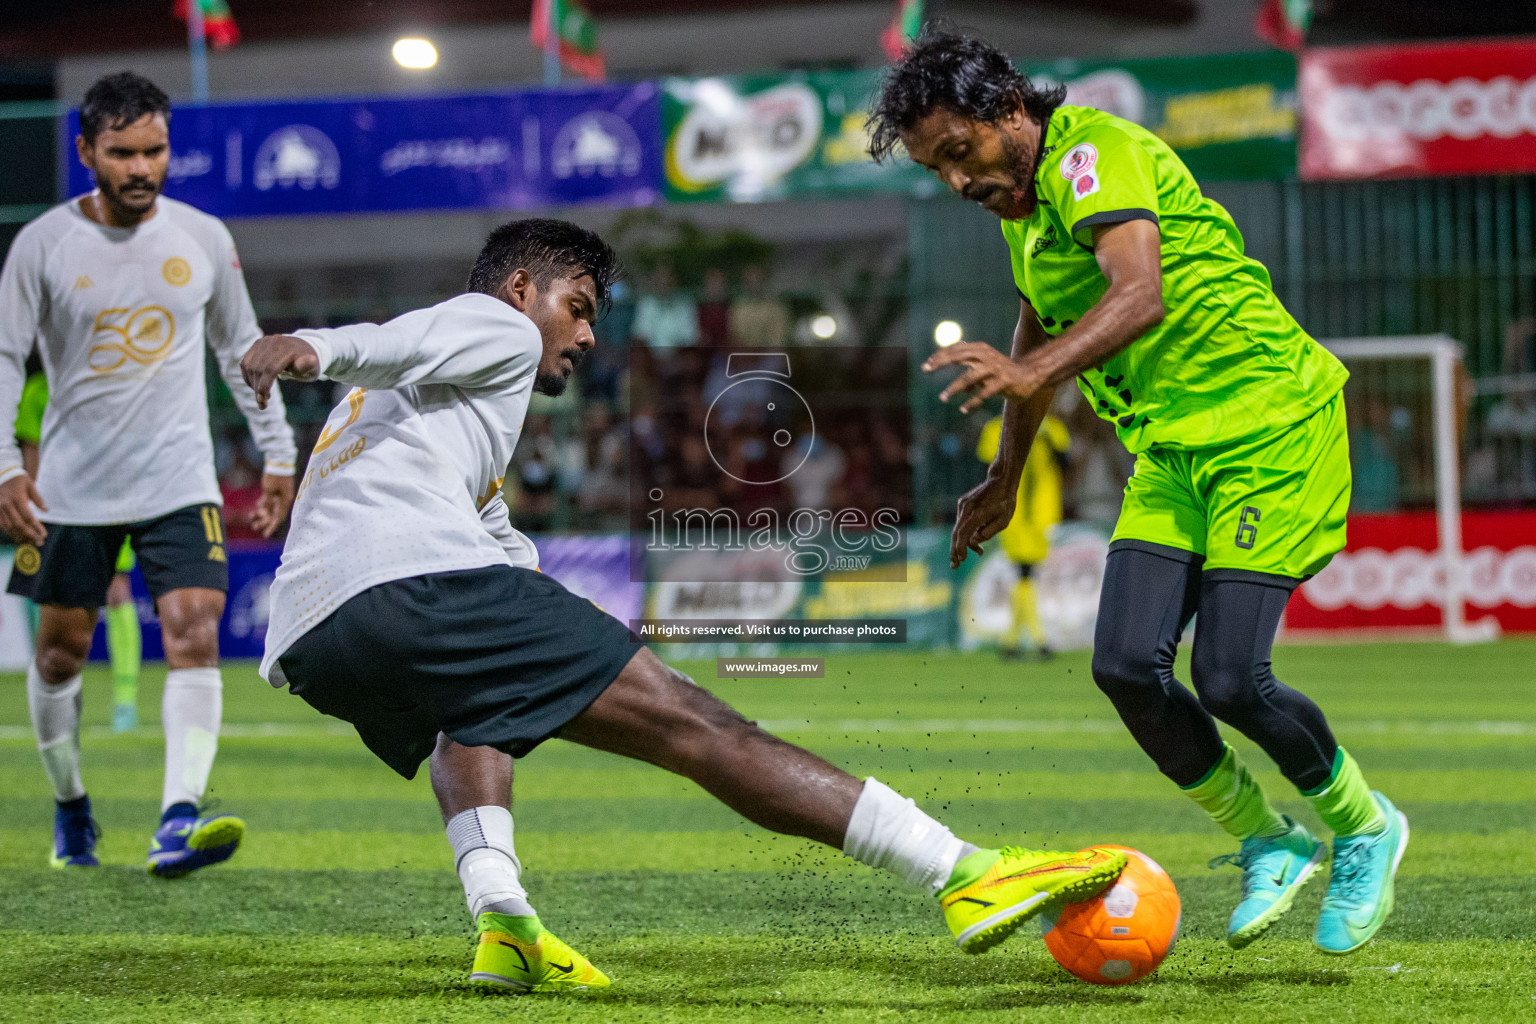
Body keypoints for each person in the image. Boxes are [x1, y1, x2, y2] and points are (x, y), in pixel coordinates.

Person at [240, 218, 1127, 994]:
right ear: (522, 289)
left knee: (476, 714)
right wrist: (313, 346)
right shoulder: (495, 328)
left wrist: (543, 598)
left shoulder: (421, 412)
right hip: (414, 584)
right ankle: (960, 872)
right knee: (699, 726)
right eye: (579, 305)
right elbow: (404, 333)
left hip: (316, 637)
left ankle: (503, 921)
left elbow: (489, 531)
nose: (587, 334)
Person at [870, 29, 1407, 956]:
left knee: (1232, 677)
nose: (957, 182)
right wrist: (1003, 476)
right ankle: (1266, 838)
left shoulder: (1093, 152)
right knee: (1125, 666)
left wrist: (1022, 370)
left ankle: (1364, 829)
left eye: (959, 153)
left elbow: (1140, 293)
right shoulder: (1026, 214)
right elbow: (1042, 321)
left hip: (1267, 423)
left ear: (1008, 110)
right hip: (1170, 452)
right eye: (936, 169)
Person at [0, 72, 298, 874]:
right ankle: (71, 809)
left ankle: (176, 819)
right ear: (86, 152)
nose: (141, 167)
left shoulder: (202, 237)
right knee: (61, 654)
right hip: (70, 487)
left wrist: (279, 453)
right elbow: (3, 357)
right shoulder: (42, 246)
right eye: (123, 152)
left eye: (155, 150)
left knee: (195, 630)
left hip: (178, 480)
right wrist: (3, 468)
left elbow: (244, 351)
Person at [14, 370, 142, 733]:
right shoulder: (37, 391)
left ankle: (125, 702)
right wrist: (37, 509)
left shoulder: (104, 378)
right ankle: (58, 698)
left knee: (117, 593)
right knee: (48, 597)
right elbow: (32, 453)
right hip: (56, 507)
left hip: (110, 498)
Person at [974, 410, 1069, 659]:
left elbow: (1065, 465)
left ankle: (1013, 640)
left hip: (1042, 512)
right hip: (1011, 511)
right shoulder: (996, 428)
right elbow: (986, 472)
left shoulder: (1050, 428)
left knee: (1025, 573)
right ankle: (1037, 640)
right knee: (1024, 571)